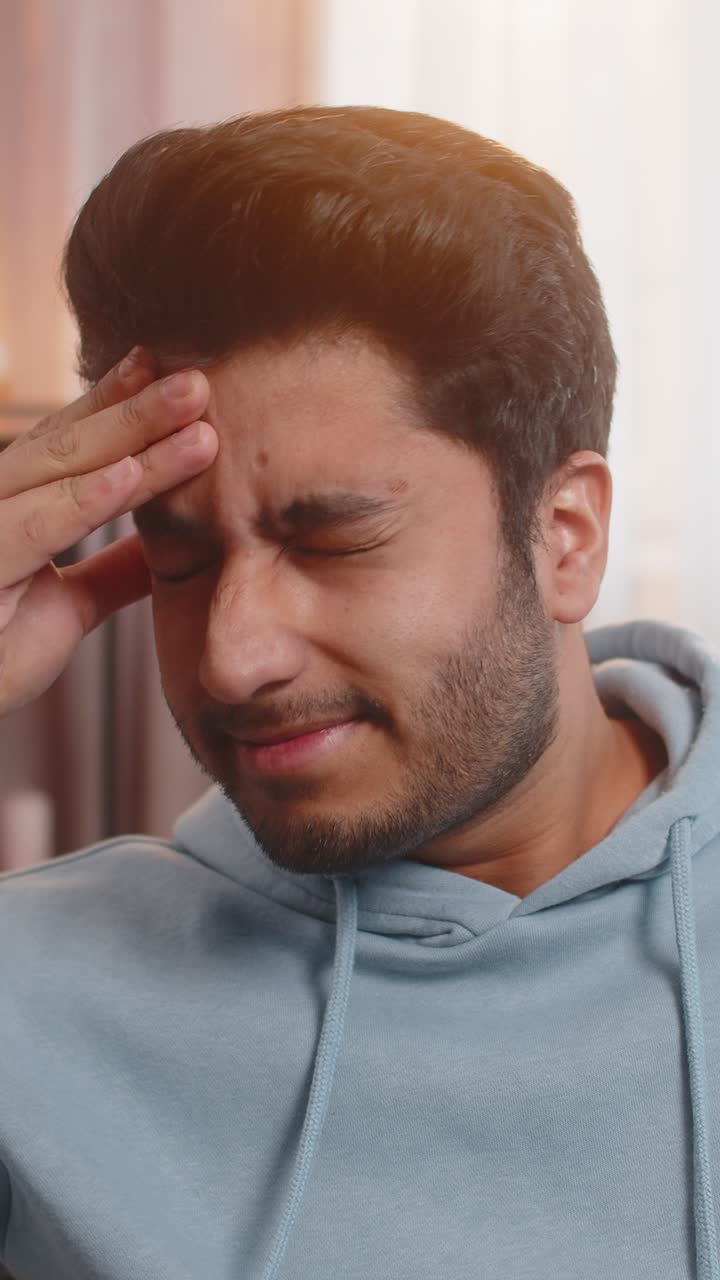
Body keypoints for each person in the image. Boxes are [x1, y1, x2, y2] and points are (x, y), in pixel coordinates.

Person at [0, 105, 717, 1280]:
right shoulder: (32, 993)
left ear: (565, 533)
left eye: (331, 540)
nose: (232, 658)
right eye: (179, 558)